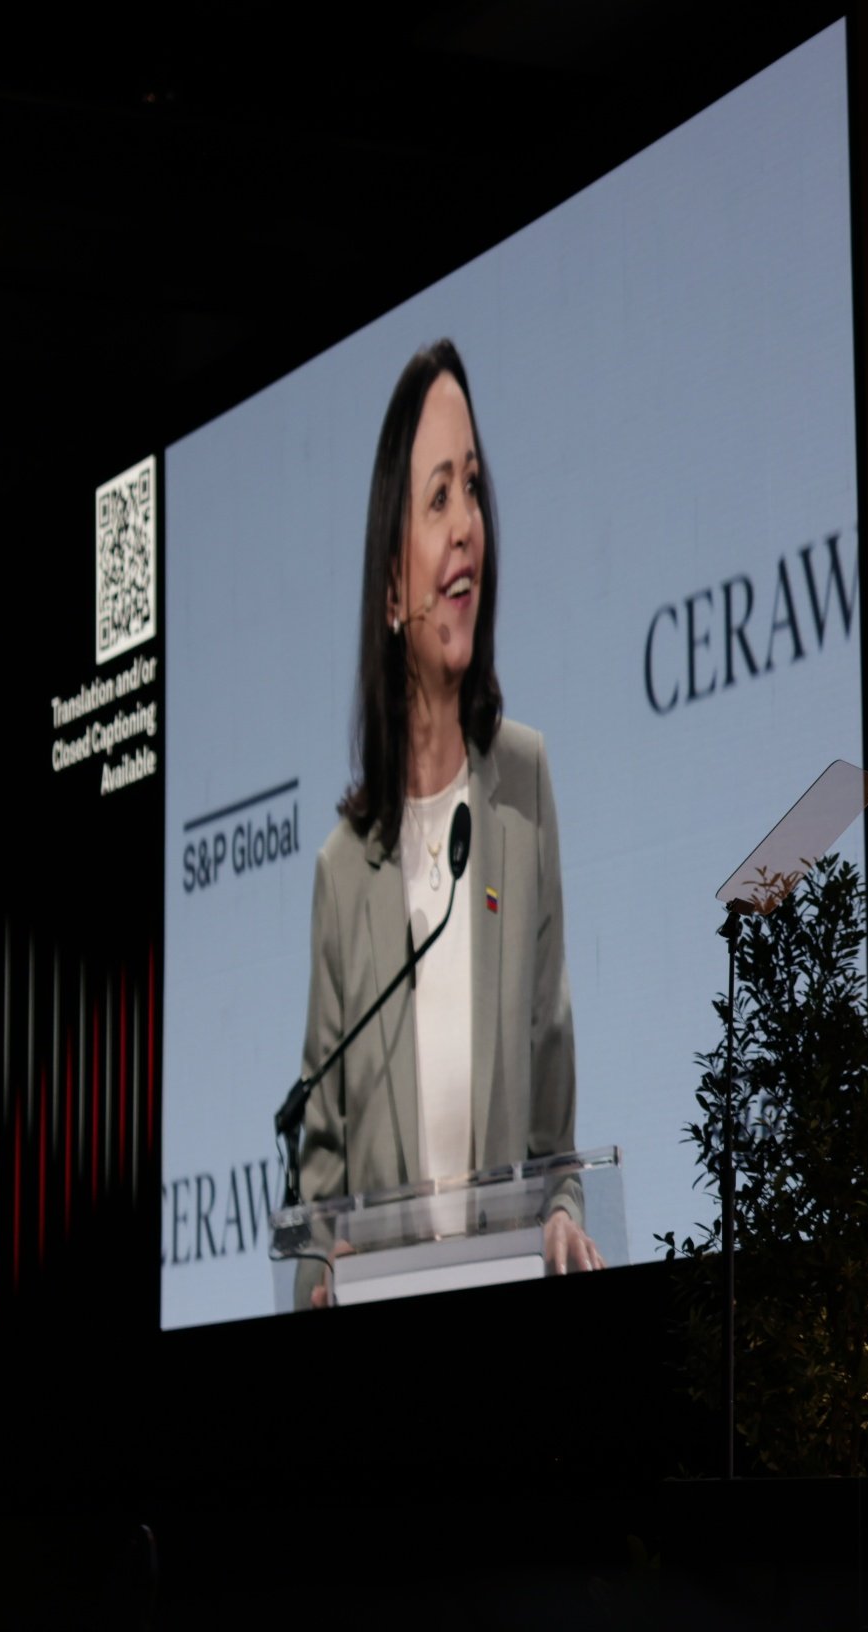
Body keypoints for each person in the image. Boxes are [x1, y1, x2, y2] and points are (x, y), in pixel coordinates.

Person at [297, 339, 600, 1304]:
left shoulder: (523, 785)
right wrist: (319, 1273)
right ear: (392, 587)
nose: (468, 523)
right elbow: (319, 1183)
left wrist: (563, 1213)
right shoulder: (346, 872)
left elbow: (556, 1135)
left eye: (473, 488)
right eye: (438, 498)